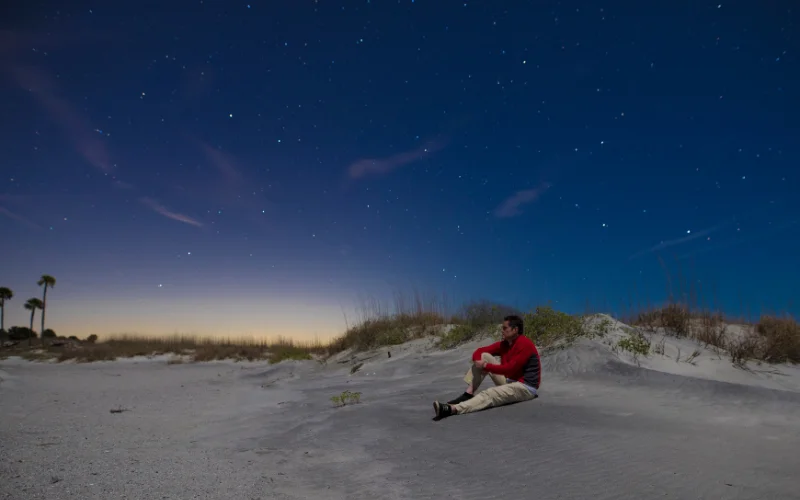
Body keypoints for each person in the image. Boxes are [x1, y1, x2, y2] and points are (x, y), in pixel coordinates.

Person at [433, 314, 541, 419]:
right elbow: (480, 351)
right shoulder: (505, 344)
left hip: (525, 387)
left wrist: (485, 366)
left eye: (505, 328)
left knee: (490, 393)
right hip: (510, 381)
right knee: (484, 356)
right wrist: (478, 361)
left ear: (515, 330)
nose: (502, 330)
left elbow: (509, 368)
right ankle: (468, 394)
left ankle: (452, 409)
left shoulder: (525, 344)